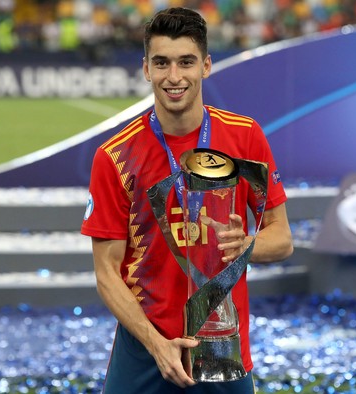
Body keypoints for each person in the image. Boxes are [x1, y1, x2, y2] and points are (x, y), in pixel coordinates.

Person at [81, 7, 293, 394]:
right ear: (146, 69)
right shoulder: (114, 156)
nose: (173, 76)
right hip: (144, 349)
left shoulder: (245, 138)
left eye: (186, 62)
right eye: (161, 63)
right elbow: (106, 273)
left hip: (222, 346)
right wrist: (156, 344)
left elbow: (282, 239)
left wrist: (247, 247)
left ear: (207, 66)